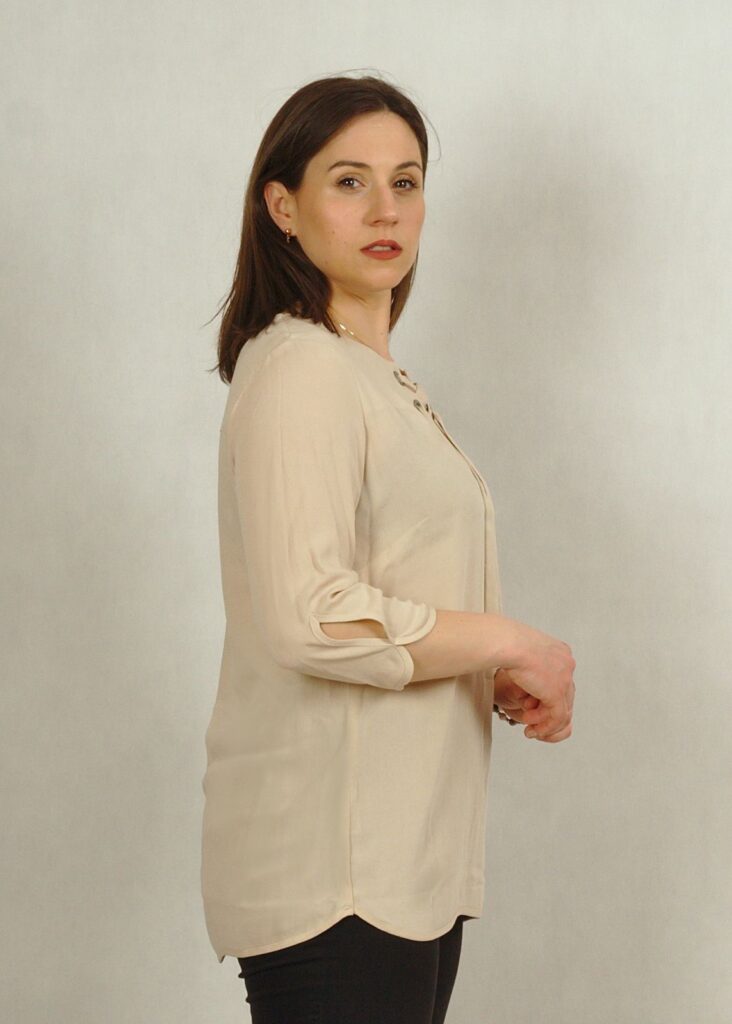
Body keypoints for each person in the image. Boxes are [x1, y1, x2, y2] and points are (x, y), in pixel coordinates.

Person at [200, 72, 576, 1024]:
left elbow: (383, 588)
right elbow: (312, 617)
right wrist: (510, 640)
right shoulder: (301, 368)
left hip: (403, 869)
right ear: (282, 207)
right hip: (337, 875)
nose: (385, 210)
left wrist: (482, 666)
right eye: (349, 181)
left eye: (405, 182)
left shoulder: (370, 378)